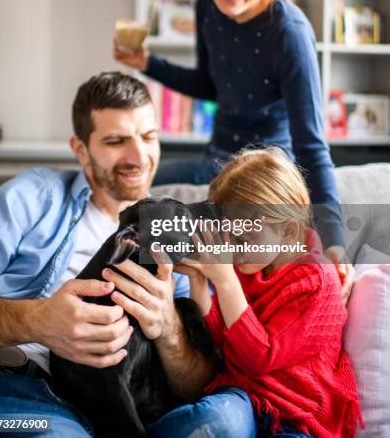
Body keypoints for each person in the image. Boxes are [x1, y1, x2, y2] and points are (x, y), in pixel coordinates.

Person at [114, 0, 353, 299]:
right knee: (129, 184)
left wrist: (335, 242)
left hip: (263, 176)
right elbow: (210, 86)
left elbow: (312, 146)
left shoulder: (289, 34)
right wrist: (148, 63)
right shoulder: (207, 3)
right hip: (217, 159)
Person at [0, 72, 215, 437]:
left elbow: (196, 385)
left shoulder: (173, 236)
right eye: (116, 140)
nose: (138, 156)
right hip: (12, 387)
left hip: (112, 405)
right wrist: (35, 321)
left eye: (149, 137)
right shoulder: (33, 197)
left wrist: (168, 328)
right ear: (81, 150)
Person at [147, 147, 362, 438]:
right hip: (244, 398)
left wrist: (224, 280)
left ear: (287, 232)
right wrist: (200, 281)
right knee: (212, 418)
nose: (233, 249)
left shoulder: (317, 281)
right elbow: (219, 338)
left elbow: (260, 356)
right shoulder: (249, 264)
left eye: (243, 239)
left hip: (298, 417)